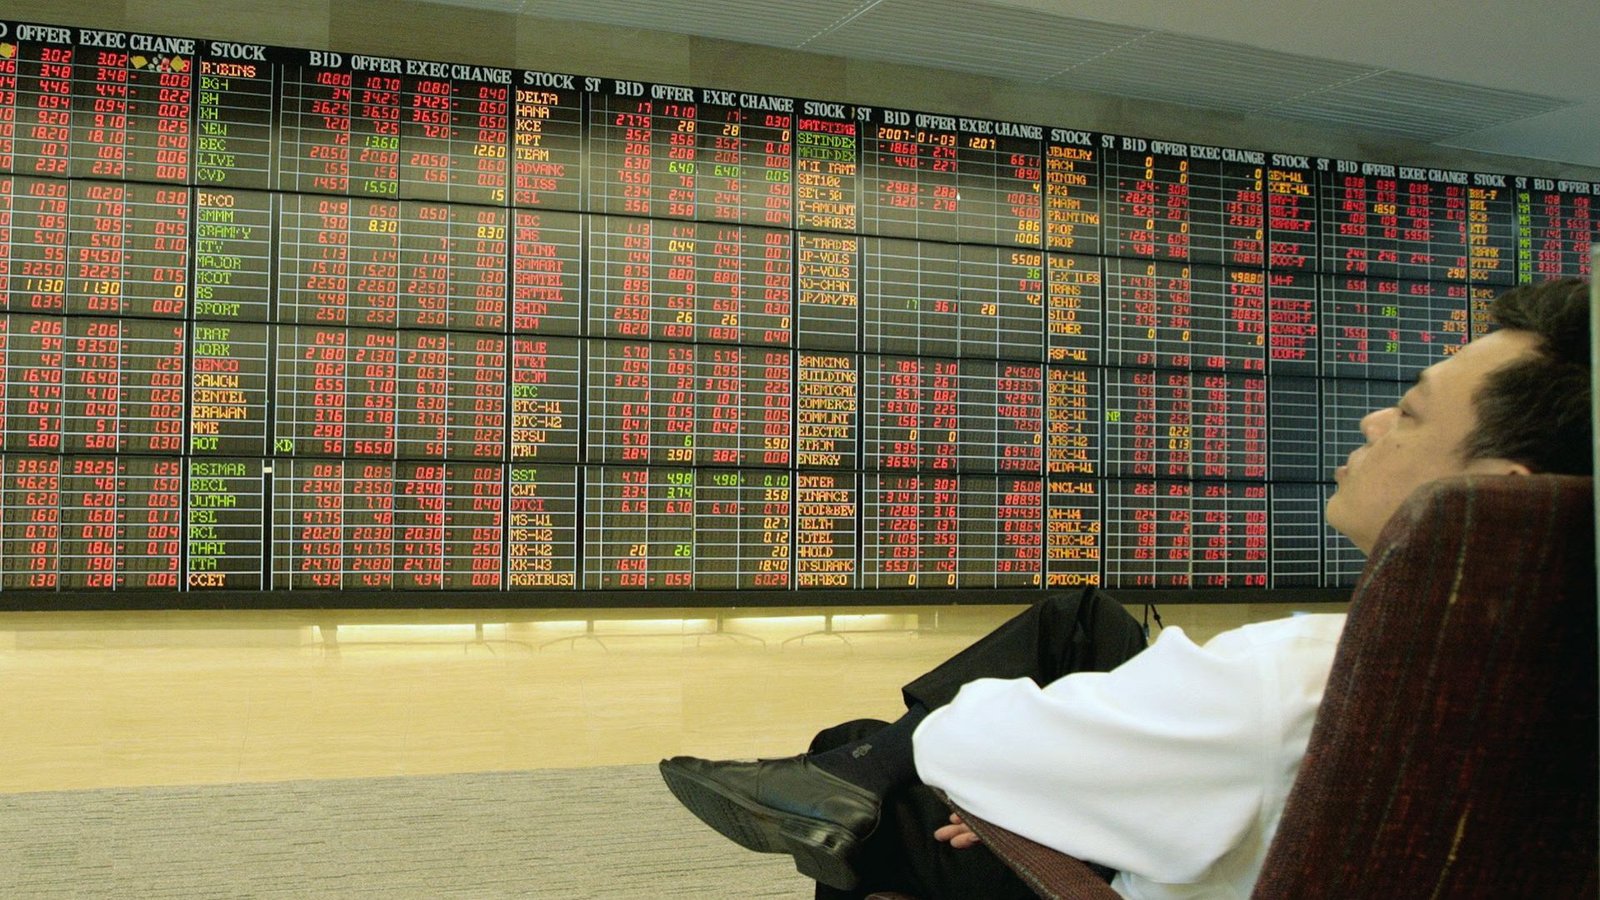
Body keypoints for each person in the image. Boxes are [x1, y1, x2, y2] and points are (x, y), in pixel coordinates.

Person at [660, 278, 1593, 900]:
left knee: (894, 782)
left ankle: (846, 774)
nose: (1373, 415)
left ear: (1492, 504)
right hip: (1225, 806)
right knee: (1077, 620)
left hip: (1128, 854)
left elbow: (963, 744)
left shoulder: (1302, 674)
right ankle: (844, 780)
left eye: (1414, 412)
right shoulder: (1560, 675)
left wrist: (1002, 782)